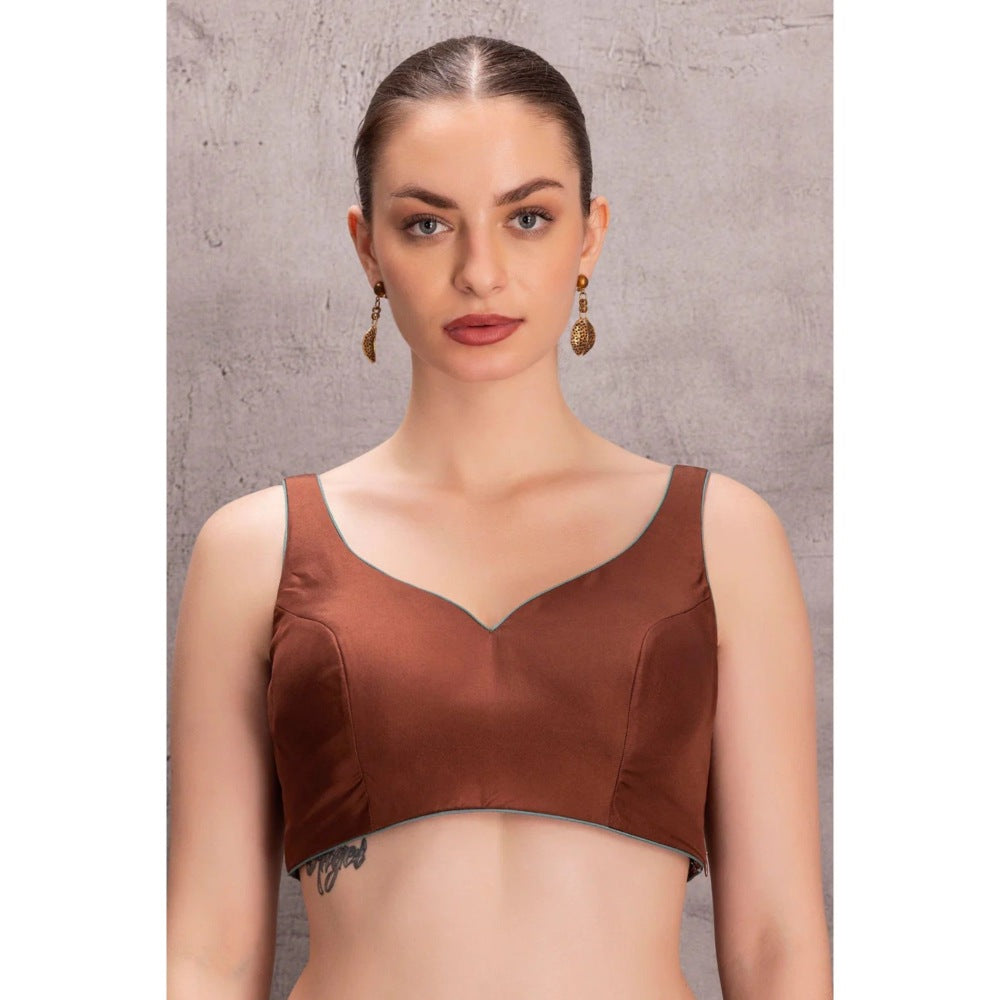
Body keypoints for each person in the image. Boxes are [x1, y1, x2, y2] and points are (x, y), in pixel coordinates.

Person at [167, 35, 832, 1000]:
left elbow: (778, 947)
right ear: (367, 247)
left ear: (589, 235)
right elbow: (208, 951)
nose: (480, 271)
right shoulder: (253, 551)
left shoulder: (723, 537)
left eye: (527, 217)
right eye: (427, 224)